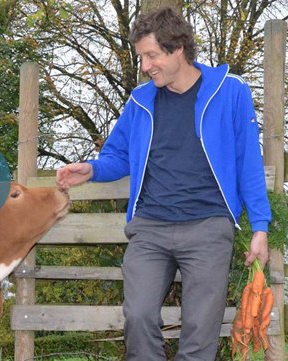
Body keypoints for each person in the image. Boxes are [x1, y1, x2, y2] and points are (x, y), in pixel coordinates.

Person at [56, 7, 271, 361]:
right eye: (142, 57)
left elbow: (248, 162)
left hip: (208, 227)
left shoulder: (230, 91)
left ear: (177, 49)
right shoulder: (140, 101)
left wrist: (259, 227)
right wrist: (92, 170)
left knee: (200, 332)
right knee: (138, 317)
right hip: (150, 228)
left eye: (151, 55)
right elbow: (120, 155)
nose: (145, 66)